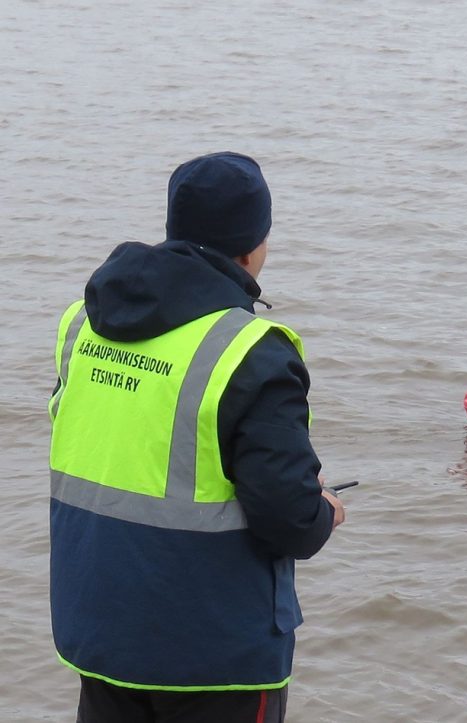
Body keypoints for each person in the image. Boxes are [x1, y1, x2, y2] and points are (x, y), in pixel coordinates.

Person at [48, 151, 344, 722]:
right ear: (253, 245)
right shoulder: (251, 351)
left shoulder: (82, 323)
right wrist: (321, 510)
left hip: (101, 631)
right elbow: (287, 518)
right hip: (211, 656)